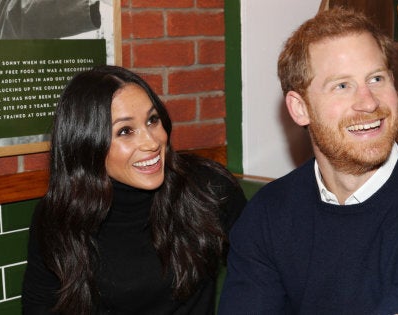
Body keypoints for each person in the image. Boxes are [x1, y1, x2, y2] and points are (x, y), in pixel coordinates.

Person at [218, 7, 398, 315]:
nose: (368, 102)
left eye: (377, 78)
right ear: (300, 109)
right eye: (342, 85)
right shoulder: (267, 214)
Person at [22, 65, 246, 314]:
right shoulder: (58, 215)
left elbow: (260, 274)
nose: (152, 141)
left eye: (152, 120)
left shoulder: (208, 189)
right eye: (125, 131)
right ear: (87, 145)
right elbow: (39, 306)